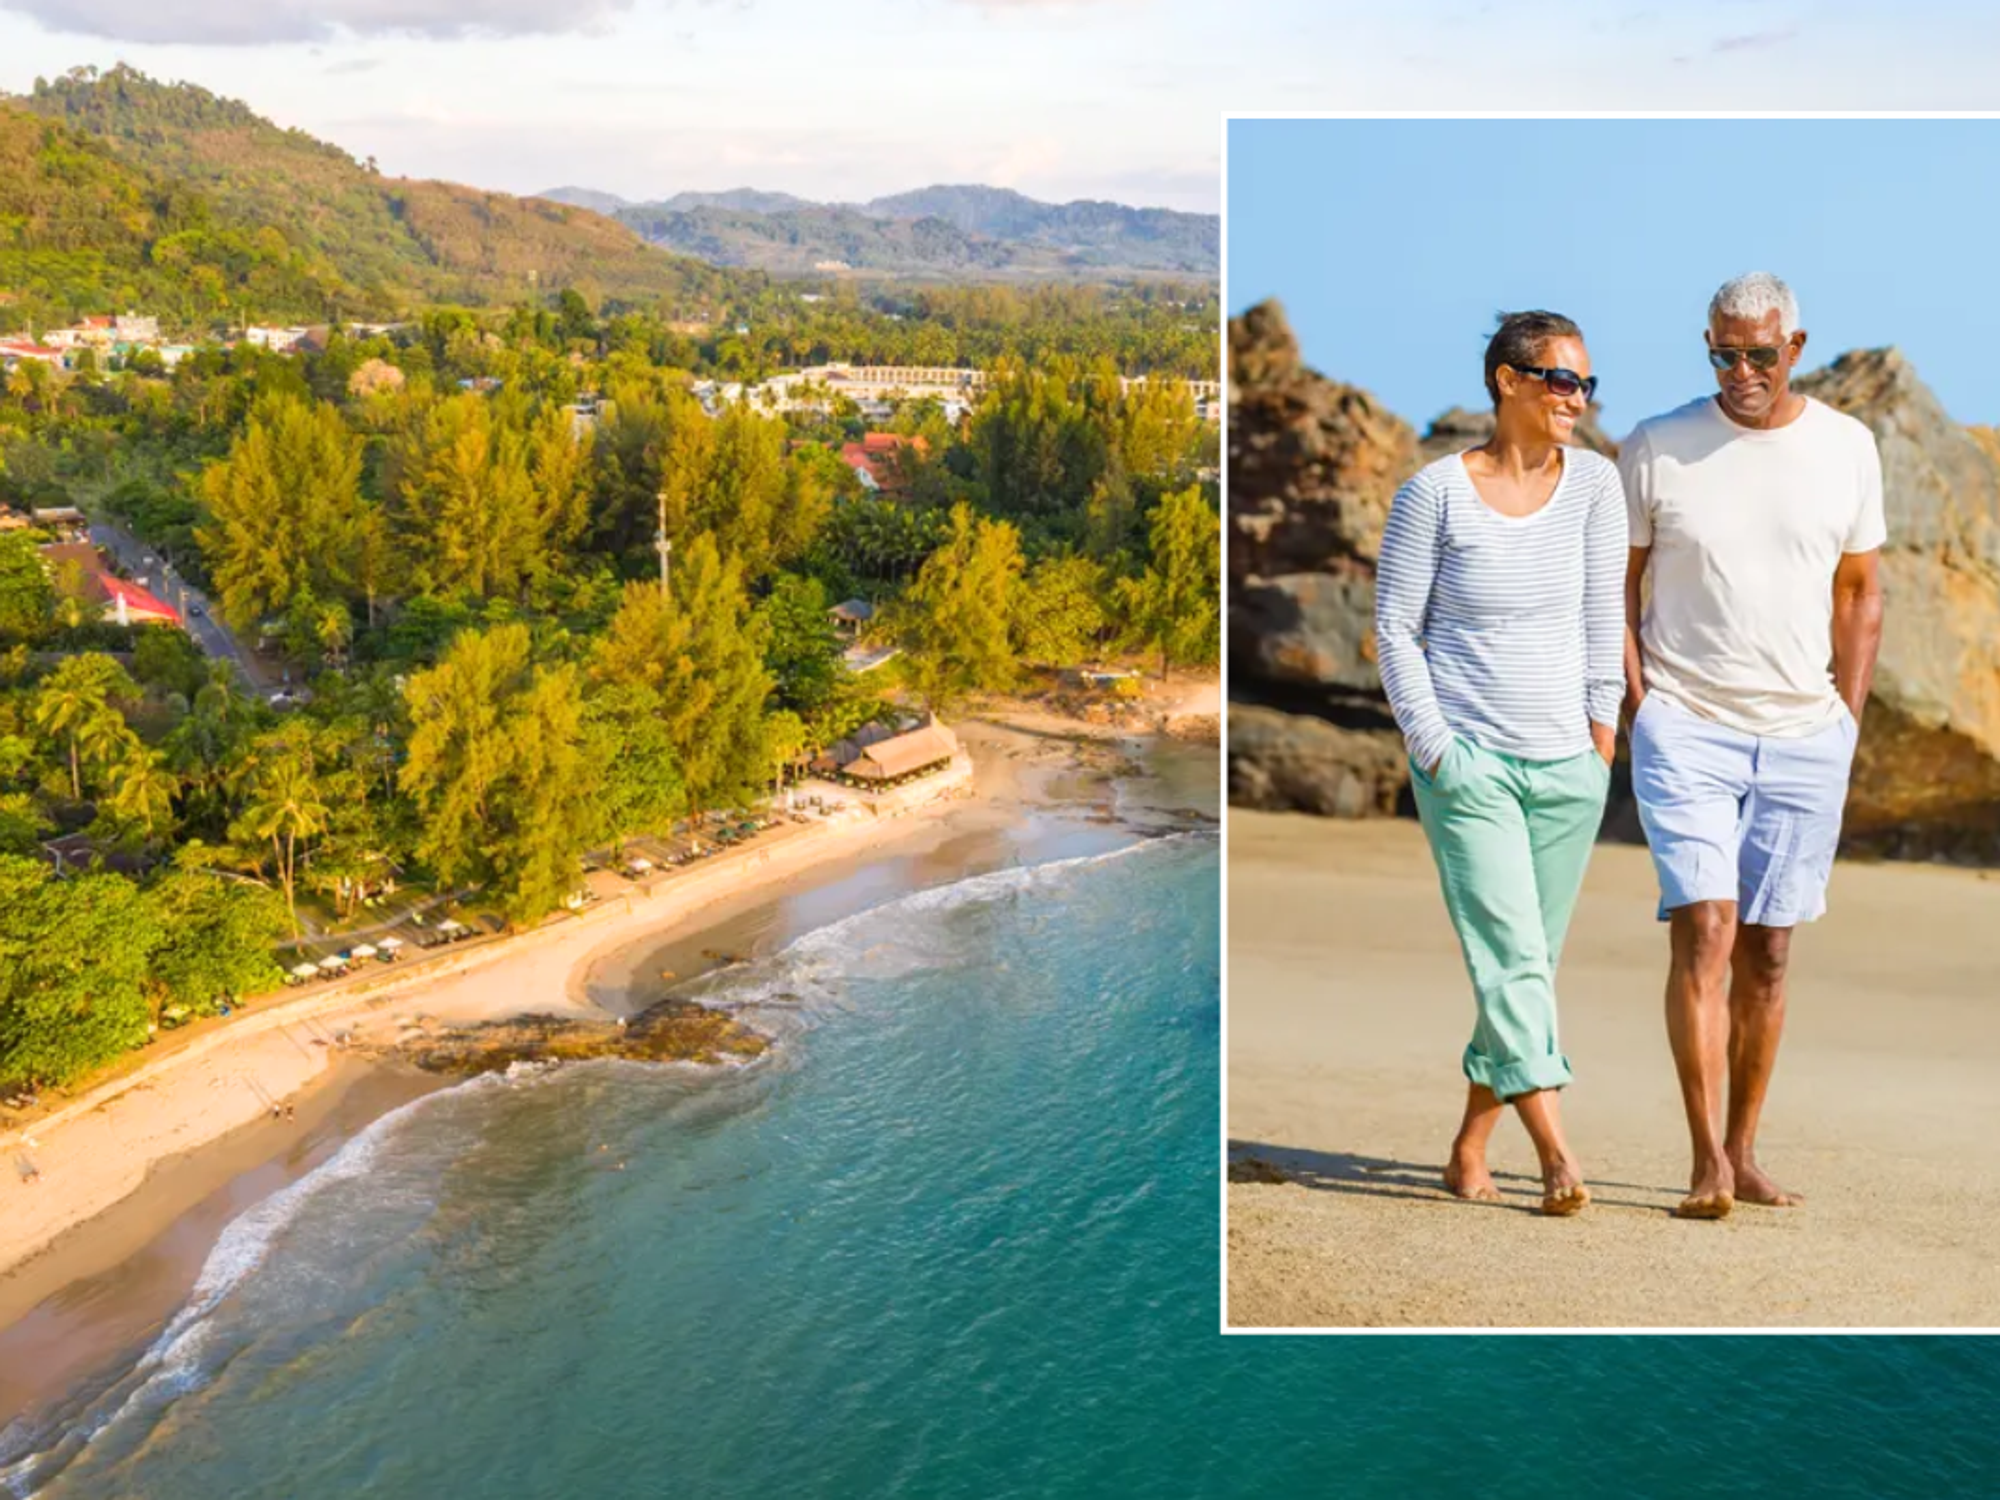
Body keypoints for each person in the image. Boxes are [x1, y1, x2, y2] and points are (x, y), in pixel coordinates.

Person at [1620, 271, 1885, 1220]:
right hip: (1687, 724)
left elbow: (1860, 591)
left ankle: (1745, 1148)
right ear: (1708, 345)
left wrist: (1846, 718)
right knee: (1708, 931)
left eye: (1760, 354)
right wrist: (1639, 693)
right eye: (1724, 353)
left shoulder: (1848, 448)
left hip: (1807, 733)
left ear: (1795, 348)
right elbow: (1619, 580)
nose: (1742, 370)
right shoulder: (1656, 448)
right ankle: (1704, 1161)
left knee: (1768, 953)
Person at [1375, 310, 1625, 1216]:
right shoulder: (1432, 495)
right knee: (1515, 960)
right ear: (1507, 382)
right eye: (1561, 380)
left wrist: (1603, 735)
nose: (1577, 399)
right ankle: (1557, 1153)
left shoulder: (1596, 486)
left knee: (1522, 968)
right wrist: (1434, 749)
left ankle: (1469, 1145)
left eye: (1587, 383)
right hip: (1470, 767)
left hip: (1568, 769)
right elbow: (1396, 630)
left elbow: (1606, 616)